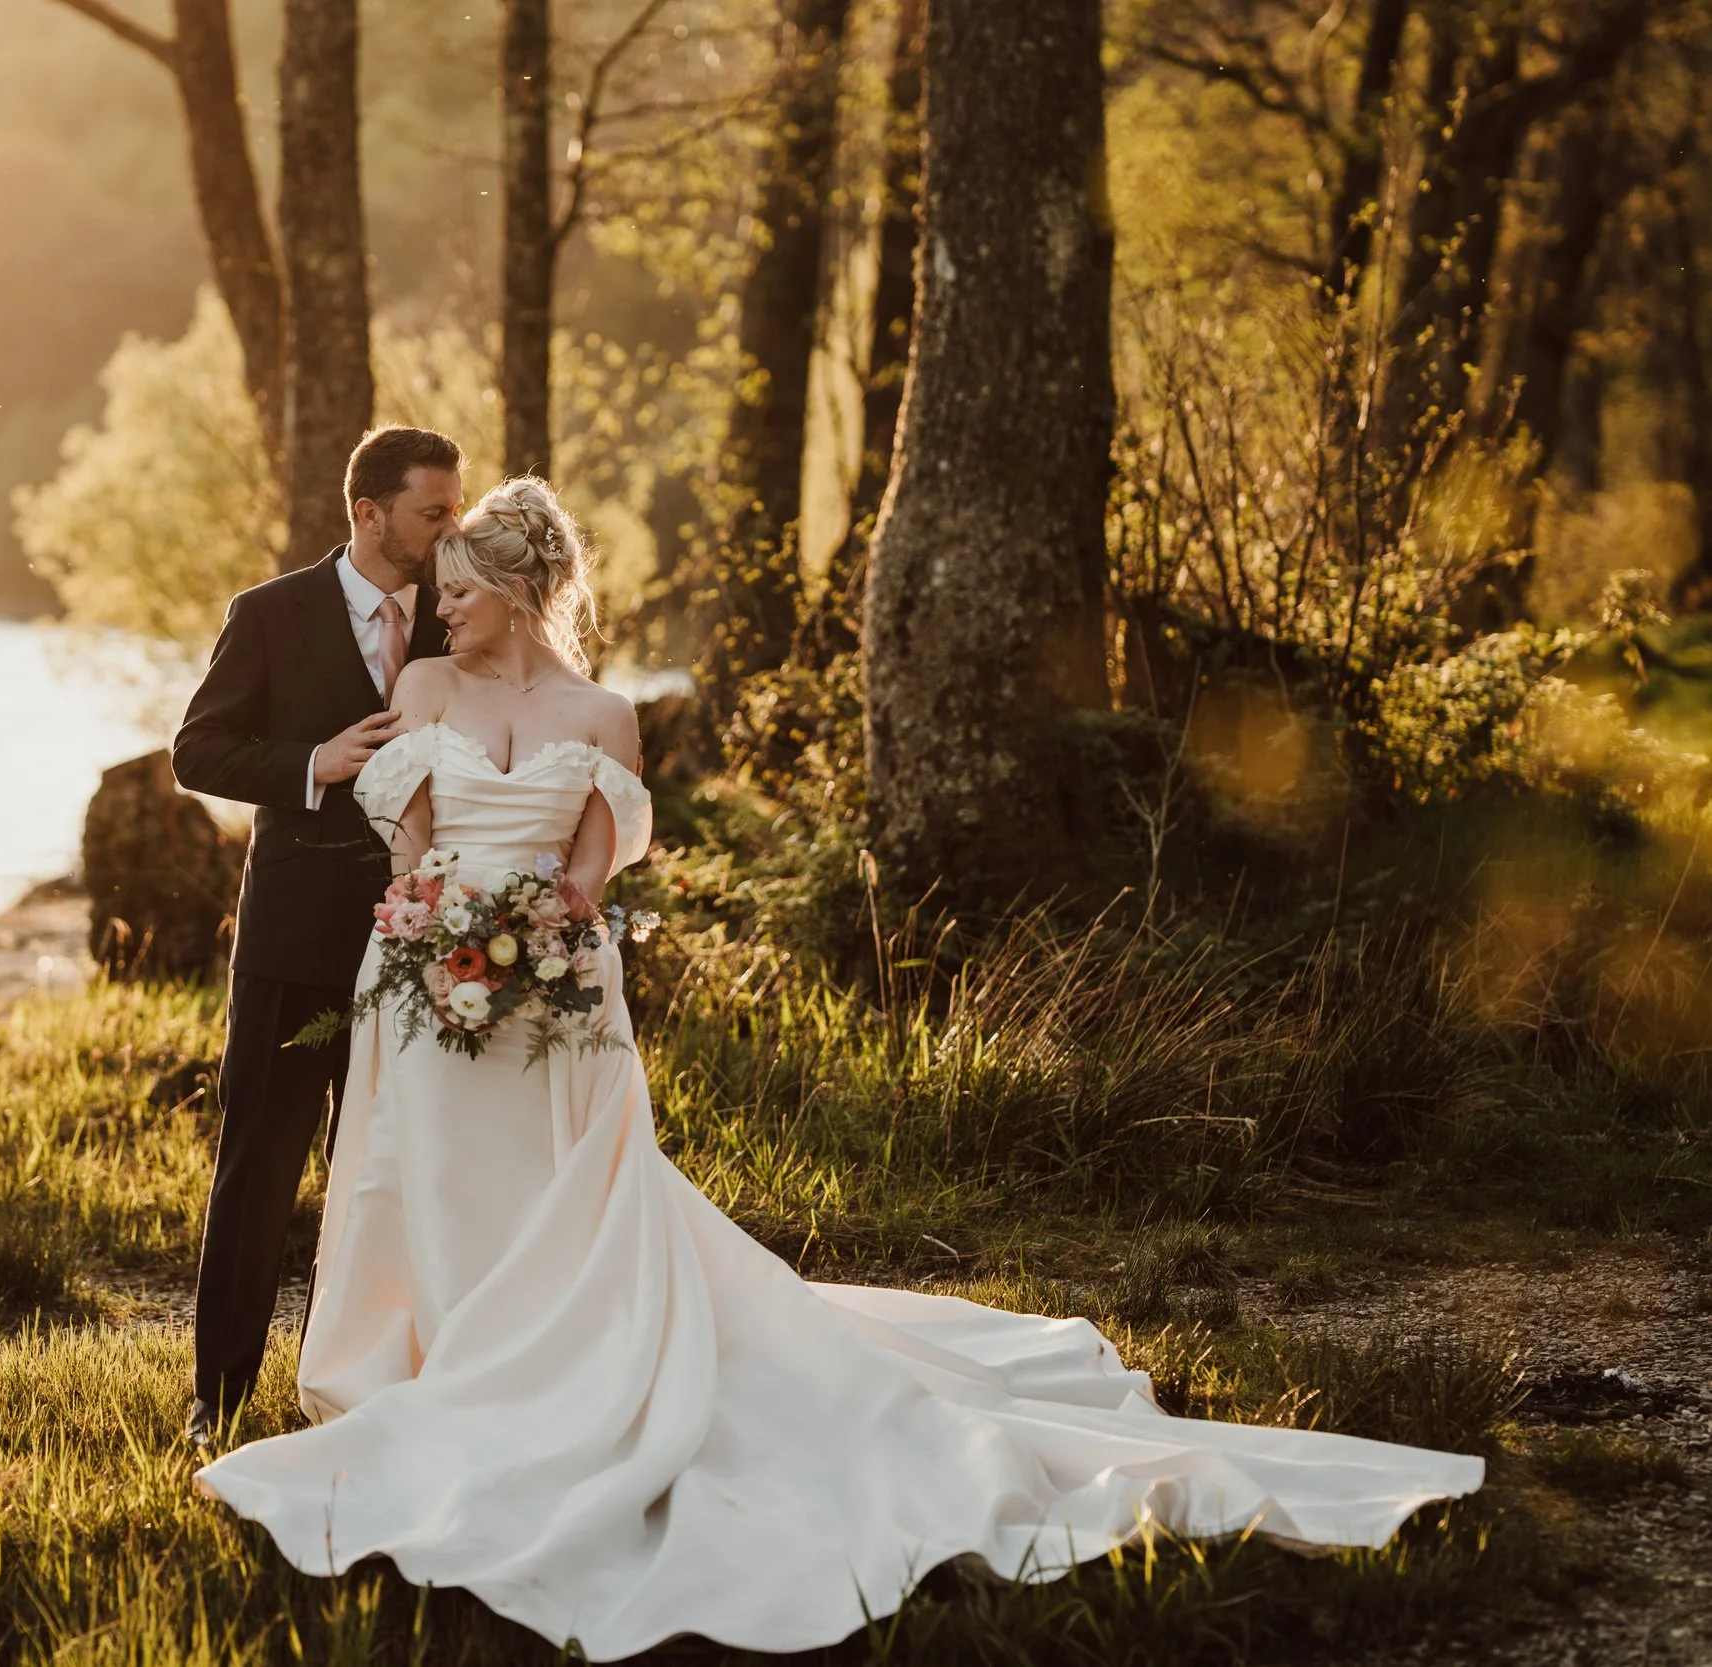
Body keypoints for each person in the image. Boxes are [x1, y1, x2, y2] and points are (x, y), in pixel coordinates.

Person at [192, 477, 1485, 1659]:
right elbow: (411, 848)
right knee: (422, 1180)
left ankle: (549, 1371)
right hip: (424, 982)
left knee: (558, 1189)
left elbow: (591, 874)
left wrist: (540, 938)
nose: (444, 609)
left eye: (463, 590)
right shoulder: (422, 694)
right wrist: (443, 936)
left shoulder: (604, 714)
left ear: (517, 590)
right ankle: (426, 1362)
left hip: (561, 993)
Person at [170, 425, 466, 1447]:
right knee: (260, 1169)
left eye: (453, 509)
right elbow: (195, 748)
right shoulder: (268, 613)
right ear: (368, 513)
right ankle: (218, 1395)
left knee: (385, 1173)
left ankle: (363, 1392)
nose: (448, 529)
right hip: (294, 942)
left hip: (423, 946)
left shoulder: (461, 614)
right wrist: (313, 759)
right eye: (433, 512)